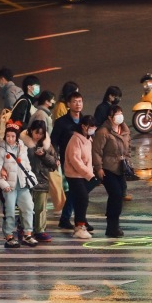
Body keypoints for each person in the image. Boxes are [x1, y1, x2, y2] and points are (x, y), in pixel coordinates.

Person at [0, 120, 38, 247]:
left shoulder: (22, 147)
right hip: (9, 187)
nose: (10, 139)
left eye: (13, 136)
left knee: (29, 208)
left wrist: (29, 176)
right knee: (10, 211)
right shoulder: (1, 149)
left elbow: (26, 165)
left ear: (17, 137)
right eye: (8, 136)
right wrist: (4, 185)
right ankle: (9, 236)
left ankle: (28, 234)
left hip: (23, 185)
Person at [51, 91, 90, 231]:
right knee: (77, 191)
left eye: (80, 101)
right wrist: (55, 158)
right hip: (69, 162)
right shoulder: (61, 122)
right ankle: (77, 220)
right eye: (74, 101)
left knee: (78, 191)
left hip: (84, 162)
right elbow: (53, 142)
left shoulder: (84, 121)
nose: (78, 104)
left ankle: (72, 218)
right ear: (68, 104)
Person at [92, 105, 130, 237]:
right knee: (115, 194)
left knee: (119, 197)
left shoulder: (124, 130)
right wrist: (98, 168)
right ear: (110, 117)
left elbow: (127, 148)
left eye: (121, 113)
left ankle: (115, 225)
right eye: (116, 114)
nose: (119, 116)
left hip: (121, 168)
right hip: (108, 168)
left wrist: (128, 162)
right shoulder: (103, 132)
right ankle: (111, 225)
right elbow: (96, 151)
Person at [21, 120, 58, 242]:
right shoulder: (23, 143)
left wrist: (43, 155)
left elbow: (54, 162)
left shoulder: (47, 145)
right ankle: (24, 228)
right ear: (31, 130)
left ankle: (40, 230)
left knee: (40, 207)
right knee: (26, 206)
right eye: (37, 132)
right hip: (26, 179)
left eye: (41, 133)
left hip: (42, 179)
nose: (39, 136)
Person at [65, 115, 98, 239]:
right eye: (91, 127)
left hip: (83, 175)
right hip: (74, 175)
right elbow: (75, 160)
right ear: (83, 126)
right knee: (82, 199)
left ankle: (80, 224)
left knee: (80, 200)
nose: (93, 130)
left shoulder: (88, 139)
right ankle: (79, 226)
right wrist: (89, 175)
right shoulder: (76, 139)